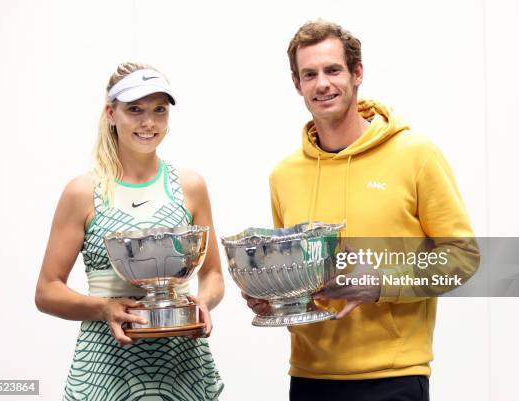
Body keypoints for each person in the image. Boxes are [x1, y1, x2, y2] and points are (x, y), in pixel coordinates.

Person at [244, 20, 479, 401]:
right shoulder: (284, 175)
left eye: (333, 70)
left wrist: (382, 283)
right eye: (309, 74)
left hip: (394, 378)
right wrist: (273, 298)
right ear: (297, 84)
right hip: (309, 379)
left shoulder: (415, 155)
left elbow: (463, 258)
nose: (322, 84)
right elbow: (298, 275)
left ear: (357, 73)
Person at [35, 62, 224, 401]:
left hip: (181, 367)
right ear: (111, 113)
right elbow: (47, 291)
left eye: (159, 110)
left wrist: (202, 302)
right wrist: (103, 309)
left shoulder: (190, 186)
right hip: (105, 369)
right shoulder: (83, 192)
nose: (148, 122)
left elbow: (212, 275)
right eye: (134, 109)